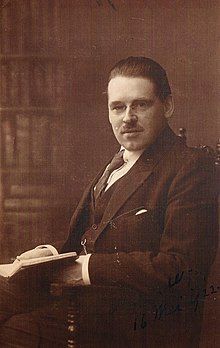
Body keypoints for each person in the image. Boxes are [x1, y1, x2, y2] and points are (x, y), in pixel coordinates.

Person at [0, 57, 218, 347]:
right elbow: (90, 235)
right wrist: (48, 252)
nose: (127, 117)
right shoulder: (116, 163)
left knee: (17, 332)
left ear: (167, 106)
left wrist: (83, 270)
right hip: (83, 304)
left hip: (136, 323)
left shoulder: (190, 167)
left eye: (141, 104)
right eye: (118, 107)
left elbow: (182, 268)